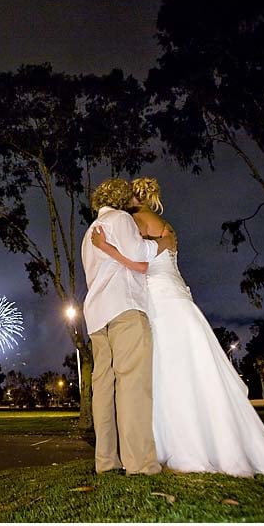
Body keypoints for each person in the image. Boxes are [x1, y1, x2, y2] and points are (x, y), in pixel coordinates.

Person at [91, 177, 264, 477]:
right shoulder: (163, 224)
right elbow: (159, 253)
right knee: (185, 368)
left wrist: (105, 246)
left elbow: (138, 261)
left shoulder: (136, 220)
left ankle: (170, 445)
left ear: (134, 199)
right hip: (175, 295)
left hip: (157, 300)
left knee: (164, 371)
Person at [80, 178, 176, 476]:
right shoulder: (120, 219)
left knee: (104, 390)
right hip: (123, 309)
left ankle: (106, 461)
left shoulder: (88, 234)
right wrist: (162, 242)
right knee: (133, 386)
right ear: (121, 198)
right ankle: (140, 464)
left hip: (96, 317)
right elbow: (139, 255)